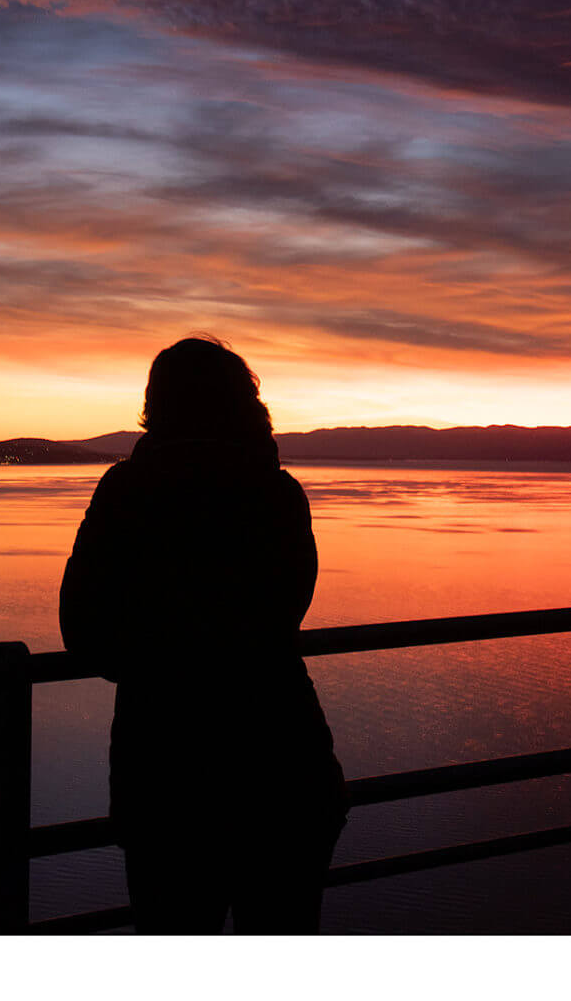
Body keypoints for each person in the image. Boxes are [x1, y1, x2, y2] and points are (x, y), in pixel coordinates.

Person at [60, 336, 347, 933]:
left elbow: (84, 632)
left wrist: (156, 652)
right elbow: (285, 613)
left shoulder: (128, 493)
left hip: (167, 779)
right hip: (285, 769)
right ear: (246, 404)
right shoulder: (277, 494)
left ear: (155, 406)